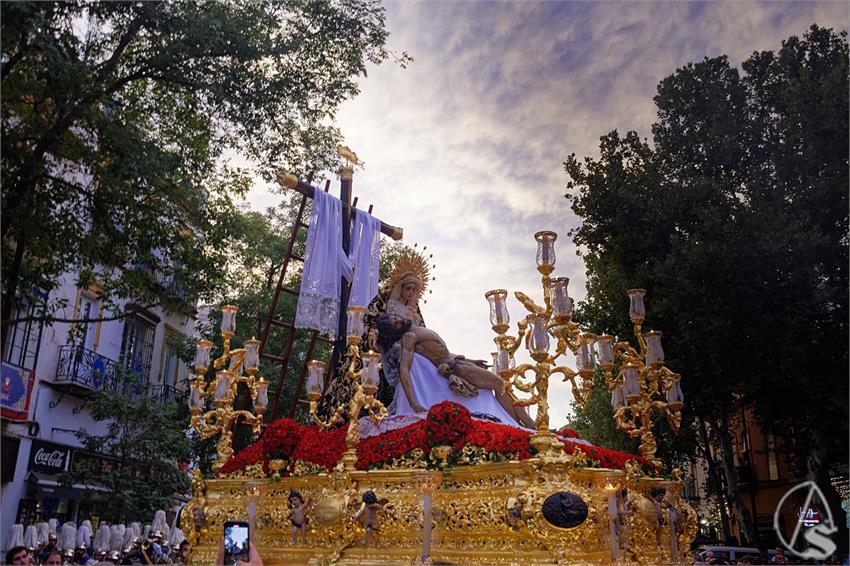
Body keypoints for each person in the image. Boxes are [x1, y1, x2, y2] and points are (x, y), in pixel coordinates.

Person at [375, 314, 535, 428]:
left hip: (459, 362)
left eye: (396, 317)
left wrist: (471, 360)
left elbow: (443, 351)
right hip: (457, 369)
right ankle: (517, 425)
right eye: (394, 323)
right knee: (500, 384)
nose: (399, 320)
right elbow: (404, 368)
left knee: (502, 385)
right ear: (393, 331)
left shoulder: (416, 329)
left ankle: (526, 425)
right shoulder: (408, 337)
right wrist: (413, 403)